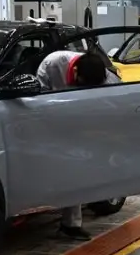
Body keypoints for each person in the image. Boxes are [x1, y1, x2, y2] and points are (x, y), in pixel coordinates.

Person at [36, 50, 121, 241]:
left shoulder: (110, 82)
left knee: (76, 170)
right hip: (50, 123)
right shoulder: (52, 64)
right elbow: (36, 102)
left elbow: (117, 111)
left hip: (84, 128)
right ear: (75, 71)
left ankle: (71, 225)